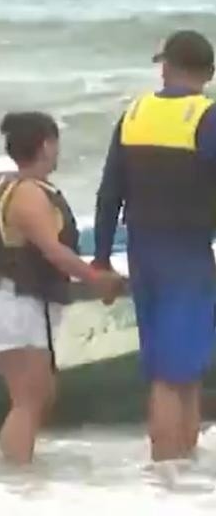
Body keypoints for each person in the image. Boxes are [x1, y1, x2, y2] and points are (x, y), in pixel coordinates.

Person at [94, 29, 216, 463]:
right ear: (208, 71)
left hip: (144, 253)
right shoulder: (207, 117)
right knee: (179, 371)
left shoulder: (134, 114)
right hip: (189, 254)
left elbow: (110, 193)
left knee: (172, 369)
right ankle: (170, 473)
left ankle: (177, 473)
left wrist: (103, 259)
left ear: (169, 65)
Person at [0, 112, 124, 466]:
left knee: (40, 395)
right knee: (29, 400)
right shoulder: (28, 194)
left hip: (22, 303)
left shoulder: (13, 182)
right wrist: (98, 279)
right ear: (46, 145)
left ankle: (17, 472)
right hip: (16, 304)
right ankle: (17, 478)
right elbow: (54, 251)